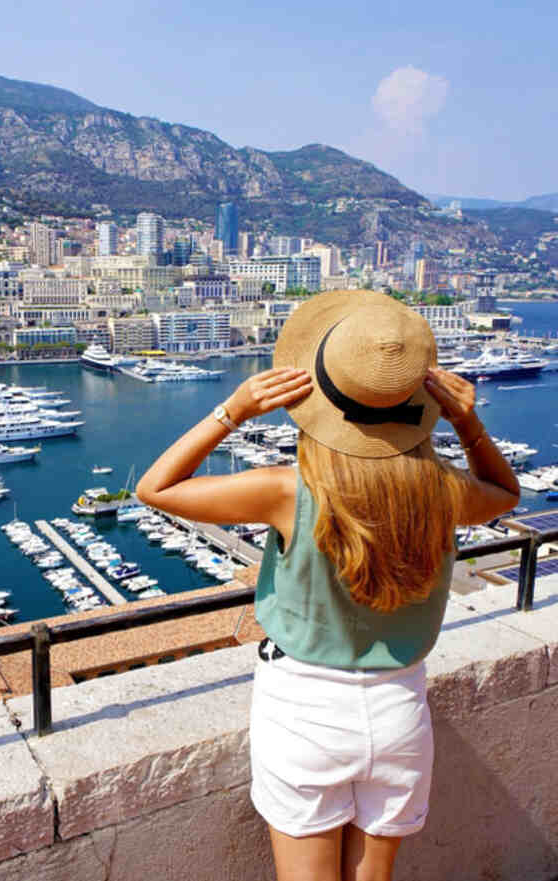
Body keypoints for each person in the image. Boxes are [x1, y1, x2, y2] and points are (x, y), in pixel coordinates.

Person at [136, 290, 519, 881]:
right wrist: (468, 422)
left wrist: (232, 411)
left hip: (303, 711)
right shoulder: (442, 492)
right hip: (399, 709)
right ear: (418, 400)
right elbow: (505, 494)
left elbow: (156, 488)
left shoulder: (288, 492)